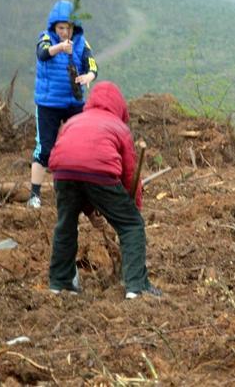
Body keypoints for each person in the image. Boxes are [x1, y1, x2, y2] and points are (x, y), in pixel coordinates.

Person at [47, 81, 160, 300]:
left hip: (62, 172)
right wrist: (133, 209)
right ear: (120, 107)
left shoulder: (73, 121)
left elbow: (78, 169)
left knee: (66, 224)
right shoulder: (119, 128)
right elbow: (129, 175)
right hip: (99, 173)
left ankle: (59, 283)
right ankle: (136, 288)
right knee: (132, 225)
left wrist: (89, 209)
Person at [29, 0, 98, 208]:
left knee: (79, 147)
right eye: (60, 28)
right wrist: (60, 48)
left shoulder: (81, 43)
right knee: (45, 149)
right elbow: (42, 53)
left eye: (67, 28)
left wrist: (89, 77)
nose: (64, 32)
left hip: (74, 103)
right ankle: (34, 194)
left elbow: (92, 64)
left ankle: (80, 194)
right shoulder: (46, 38)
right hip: (48, 103)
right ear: (54, 27)